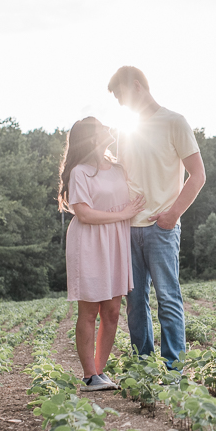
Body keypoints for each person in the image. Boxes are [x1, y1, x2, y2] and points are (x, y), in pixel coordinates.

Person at [107, 66, 206, 368]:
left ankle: (174, 369)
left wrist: (173, 215)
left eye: (122, 97)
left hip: (161, 229)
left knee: (167, 299)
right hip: (129, 229)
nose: (122, 106)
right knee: (135, 304)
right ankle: (144, 368)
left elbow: (198, 175)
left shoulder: (174, 122)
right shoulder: (126, 131)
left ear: (137, 86)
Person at [58, 116, 145, 391]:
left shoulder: (119, 168)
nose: (108, 127)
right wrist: (124, 214)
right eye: (101, 127)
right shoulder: (80, 172)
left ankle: (99, 371)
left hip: (116, 240)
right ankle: (88, 375)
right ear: (92, 137)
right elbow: (82, 212)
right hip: (90, 241)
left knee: (112, 311)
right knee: (89, 310)